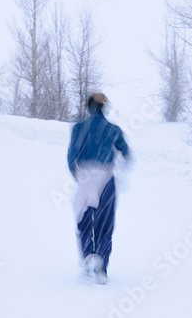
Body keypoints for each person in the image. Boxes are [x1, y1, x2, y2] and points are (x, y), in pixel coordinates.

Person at [67, 93, 131, 284]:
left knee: (83, 219)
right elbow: (126, 153)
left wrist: (76, 174)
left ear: (89, 107)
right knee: (105, 225)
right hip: (107, 178)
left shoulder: (79, 128)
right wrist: (120, 169)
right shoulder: (113, 129)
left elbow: (72, 155)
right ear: (104, 108)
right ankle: (102, 268)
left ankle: (88, 256)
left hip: (86, 177)